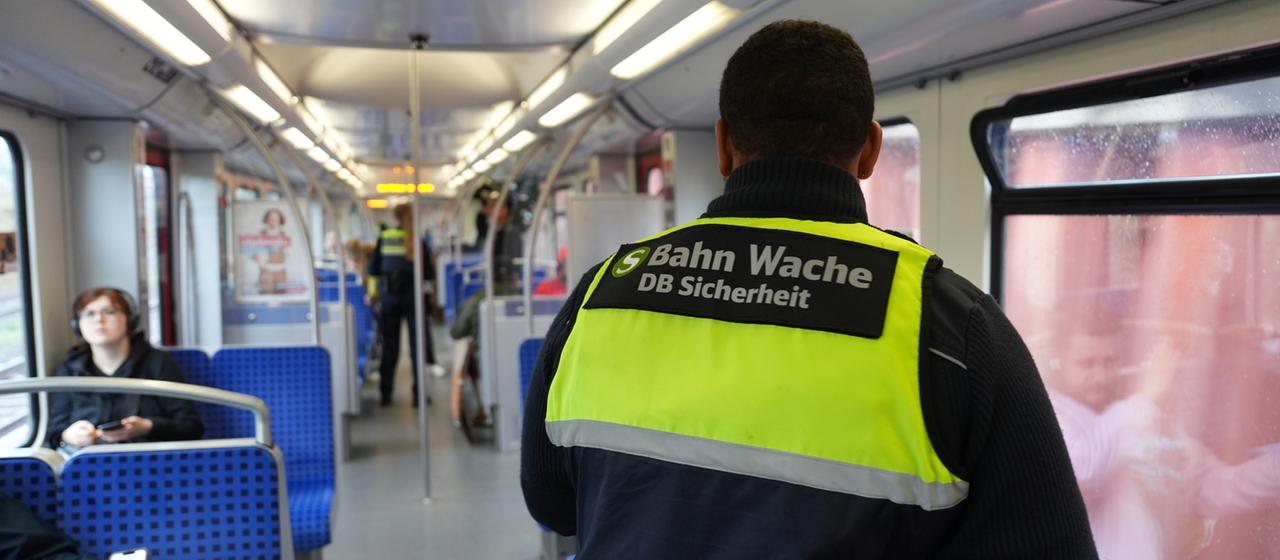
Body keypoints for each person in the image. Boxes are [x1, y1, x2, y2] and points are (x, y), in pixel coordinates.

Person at [521, 20, 1096, 558]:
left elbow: (551, 503)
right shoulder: (952, 330)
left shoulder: (601, 297)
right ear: (870, 150)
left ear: (723, 146)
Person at [1046, 307, 1280, 560]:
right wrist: (1146, 396)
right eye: (1086, 364)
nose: (1101, 376)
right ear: (1058, 359)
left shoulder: (1140, 416)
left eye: (1110, 361)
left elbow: (1210, 487)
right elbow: (1081, 471)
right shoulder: (1045, 415)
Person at [46, 287, 203, 450]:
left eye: (110, 312)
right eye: (89, 314)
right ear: (77, 325)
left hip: (149, 461)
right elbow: (53, 433)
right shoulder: (68, 371)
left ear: (129, 319)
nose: (99, 319)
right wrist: (68, 436)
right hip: (88, 463)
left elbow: (191, 427)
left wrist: (149, 427)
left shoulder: (158, 363)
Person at [368, 203, 438, 407]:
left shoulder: (385, 237)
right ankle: (419, 396)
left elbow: (373, 270)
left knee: (390, 347)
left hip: (390, 297)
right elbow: (429, 274)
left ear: (394, 217)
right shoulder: (418, 241)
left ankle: (386, 394)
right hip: (413, 297)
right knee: (418, 348)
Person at [254, 209, 291, 295]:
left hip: (280, 271)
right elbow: (255, 252)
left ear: (280, 221)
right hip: (266, 271)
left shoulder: (283, 234)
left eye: (276, 219)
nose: (273, 222)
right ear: (266, 220)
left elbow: (287, 253)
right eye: (271, 219)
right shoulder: (262, 234)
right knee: (265, 294)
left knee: (281, 294)